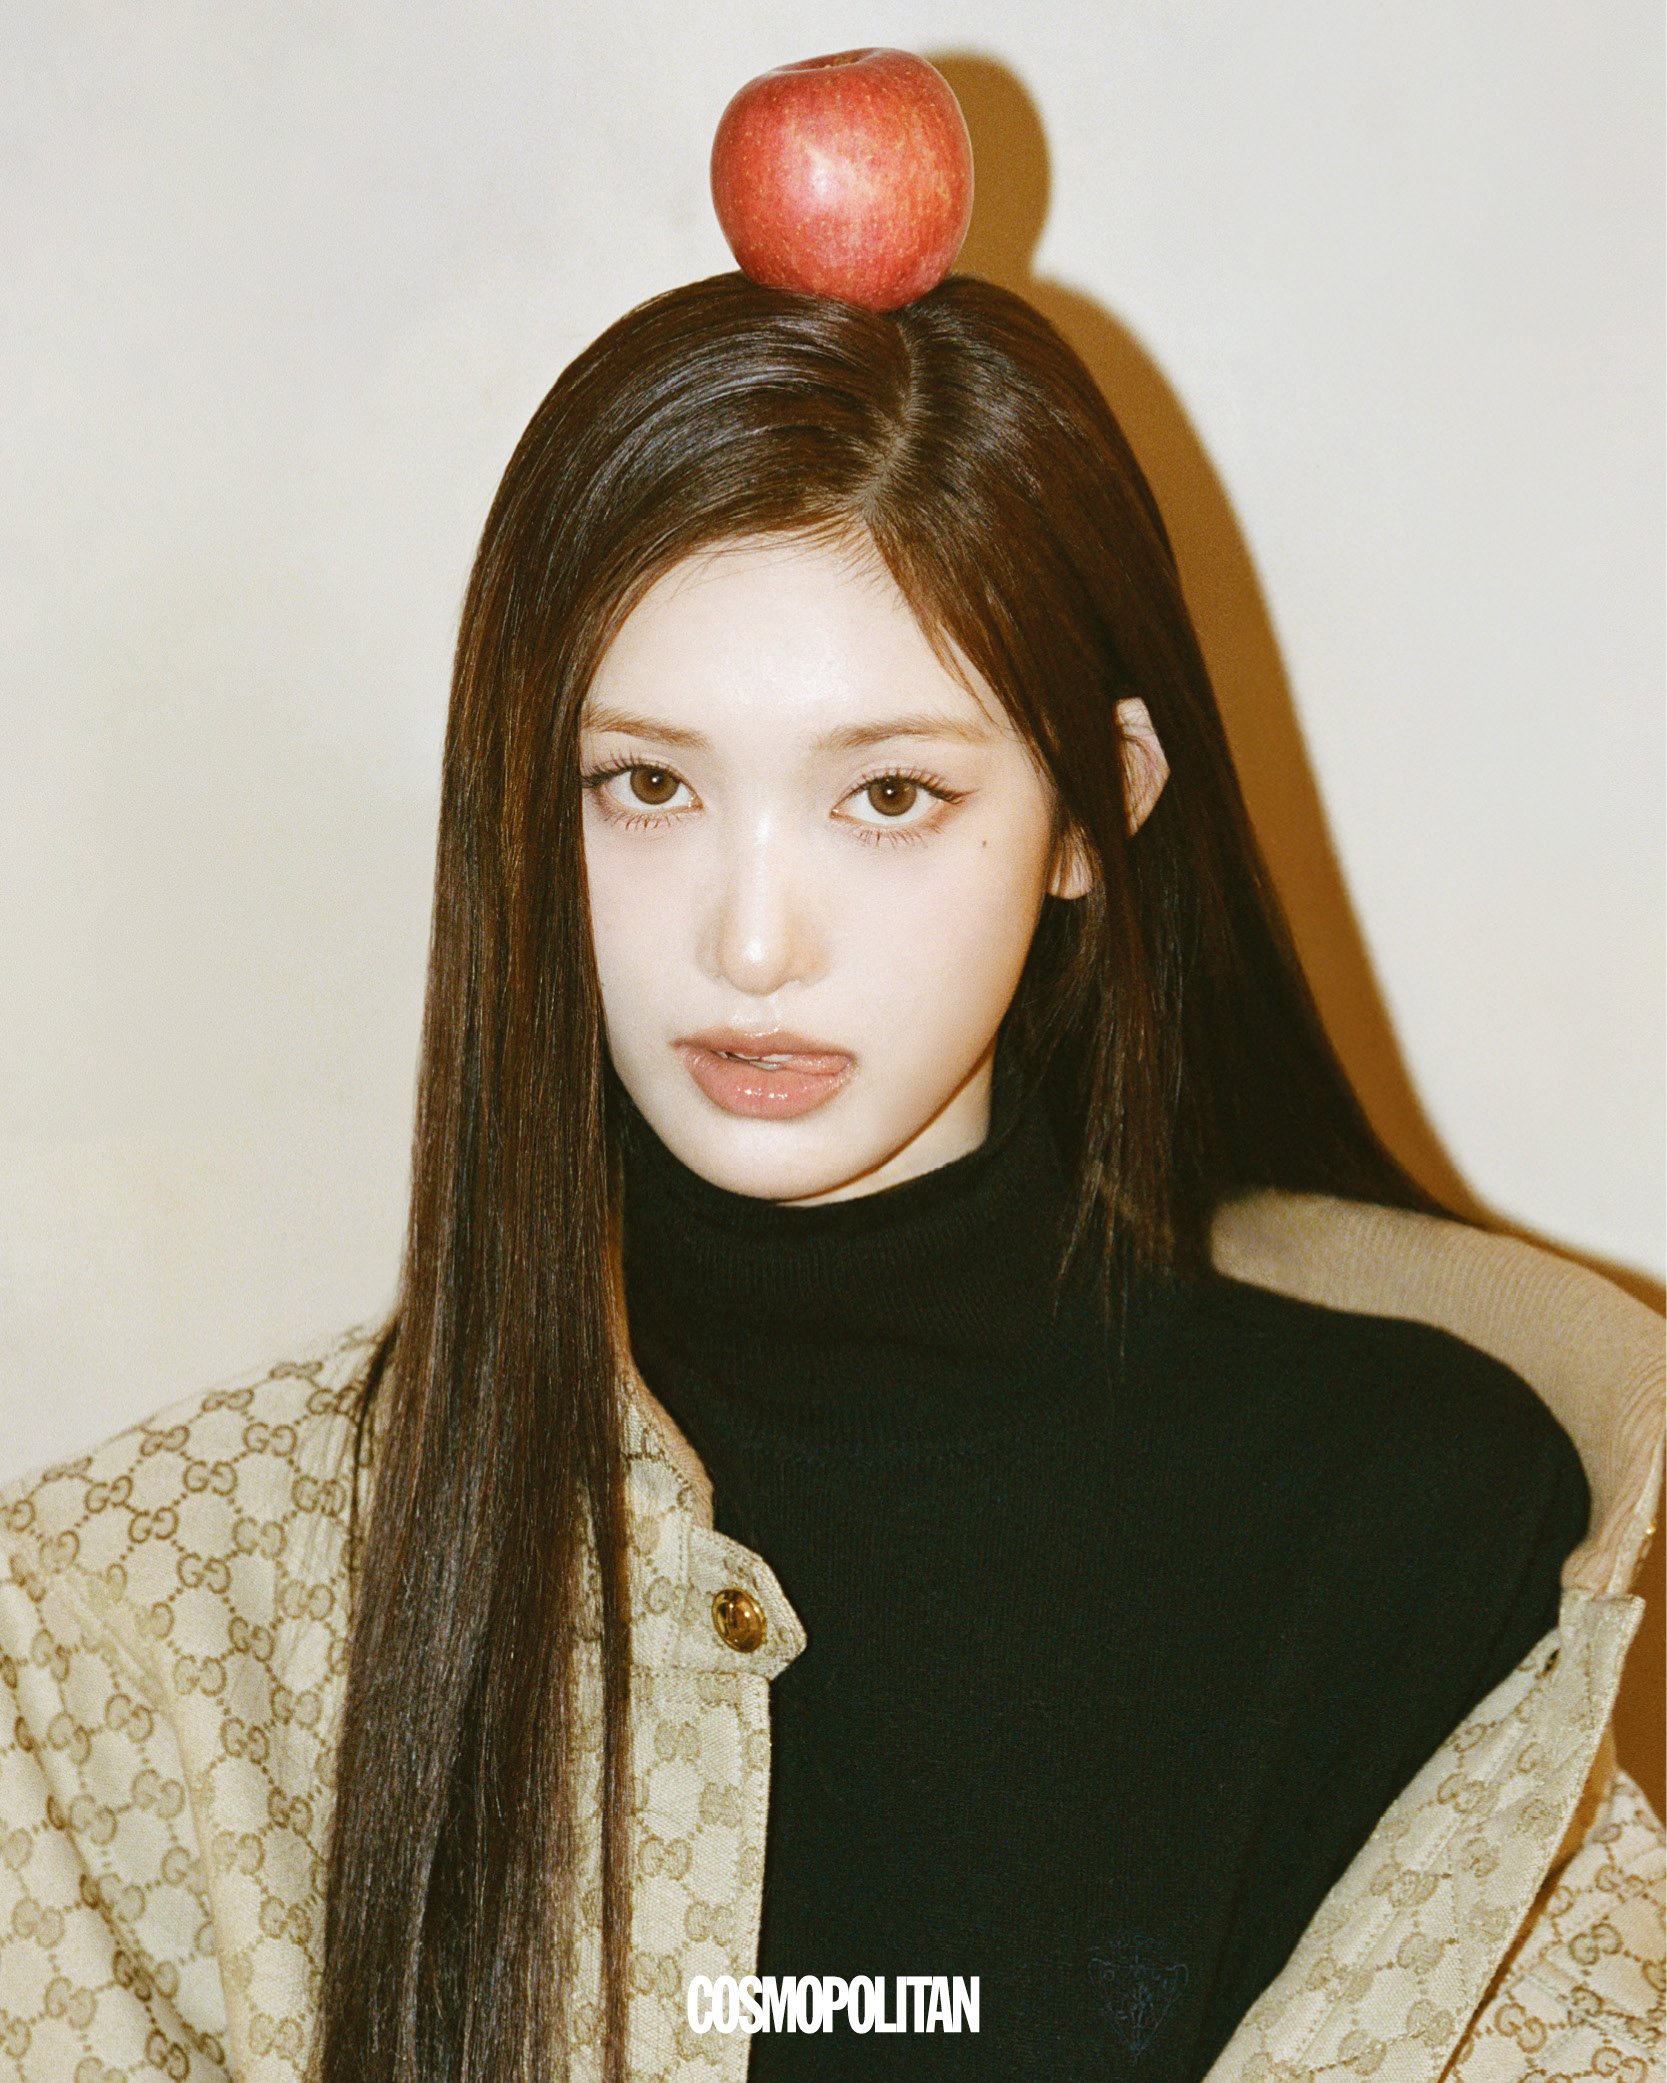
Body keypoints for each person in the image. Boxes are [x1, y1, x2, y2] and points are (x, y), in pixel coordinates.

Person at [0, 274, 1657, 2083]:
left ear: (1093, 811)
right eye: (647, 785)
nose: (752, 942)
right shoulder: (152, 1619)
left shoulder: (1421, 1523)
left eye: (888, 797)